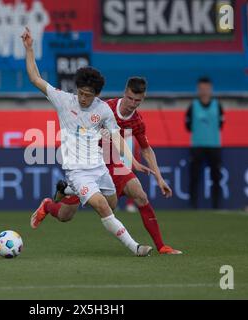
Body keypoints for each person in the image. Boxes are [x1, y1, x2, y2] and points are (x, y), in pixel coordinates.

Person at [22, 27, 153, 257]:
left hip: (99, 168)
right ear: (77, 89)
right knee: (102, 207)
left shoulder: (102, 110)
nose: (83, 98)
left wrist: (132, 160)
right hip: (76, 169)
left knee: (110, 205)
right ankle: (136, 247)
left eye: (88, 95)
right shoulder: (64, 100)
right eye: (81, 93)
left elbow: (116, 137)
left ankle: (64, 191)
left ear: (96, 94)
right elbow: (35, 78)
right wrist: (30, 48)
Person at [32, 77, 182, 255]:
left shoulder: (137, 122)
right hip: (88, 166)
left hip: (113, 166)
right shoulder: (103, 107)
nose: (132, 104)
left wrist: (159, 177)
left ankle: (161, 246)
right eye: (130, 98)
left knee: (140, 195)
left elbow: (146, 150)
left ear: (143, 99)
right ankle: (49, 205)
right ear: (124, 93)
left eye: (137, 101)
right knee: (65, 216)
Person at [185, 77, 225, 209]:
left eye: (206, 89)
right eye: (201, 89)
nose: (204, 91)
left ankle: (216, 205)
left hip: (214, 145)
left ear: (211, 89)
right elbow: (188, 125)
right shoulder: (193, 106)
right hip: (197, 146)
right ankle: (193, 205)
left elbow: (221, 124)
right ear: (198, 89)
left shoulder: (217, 105)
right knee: (194, 177)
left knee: (216, 178)